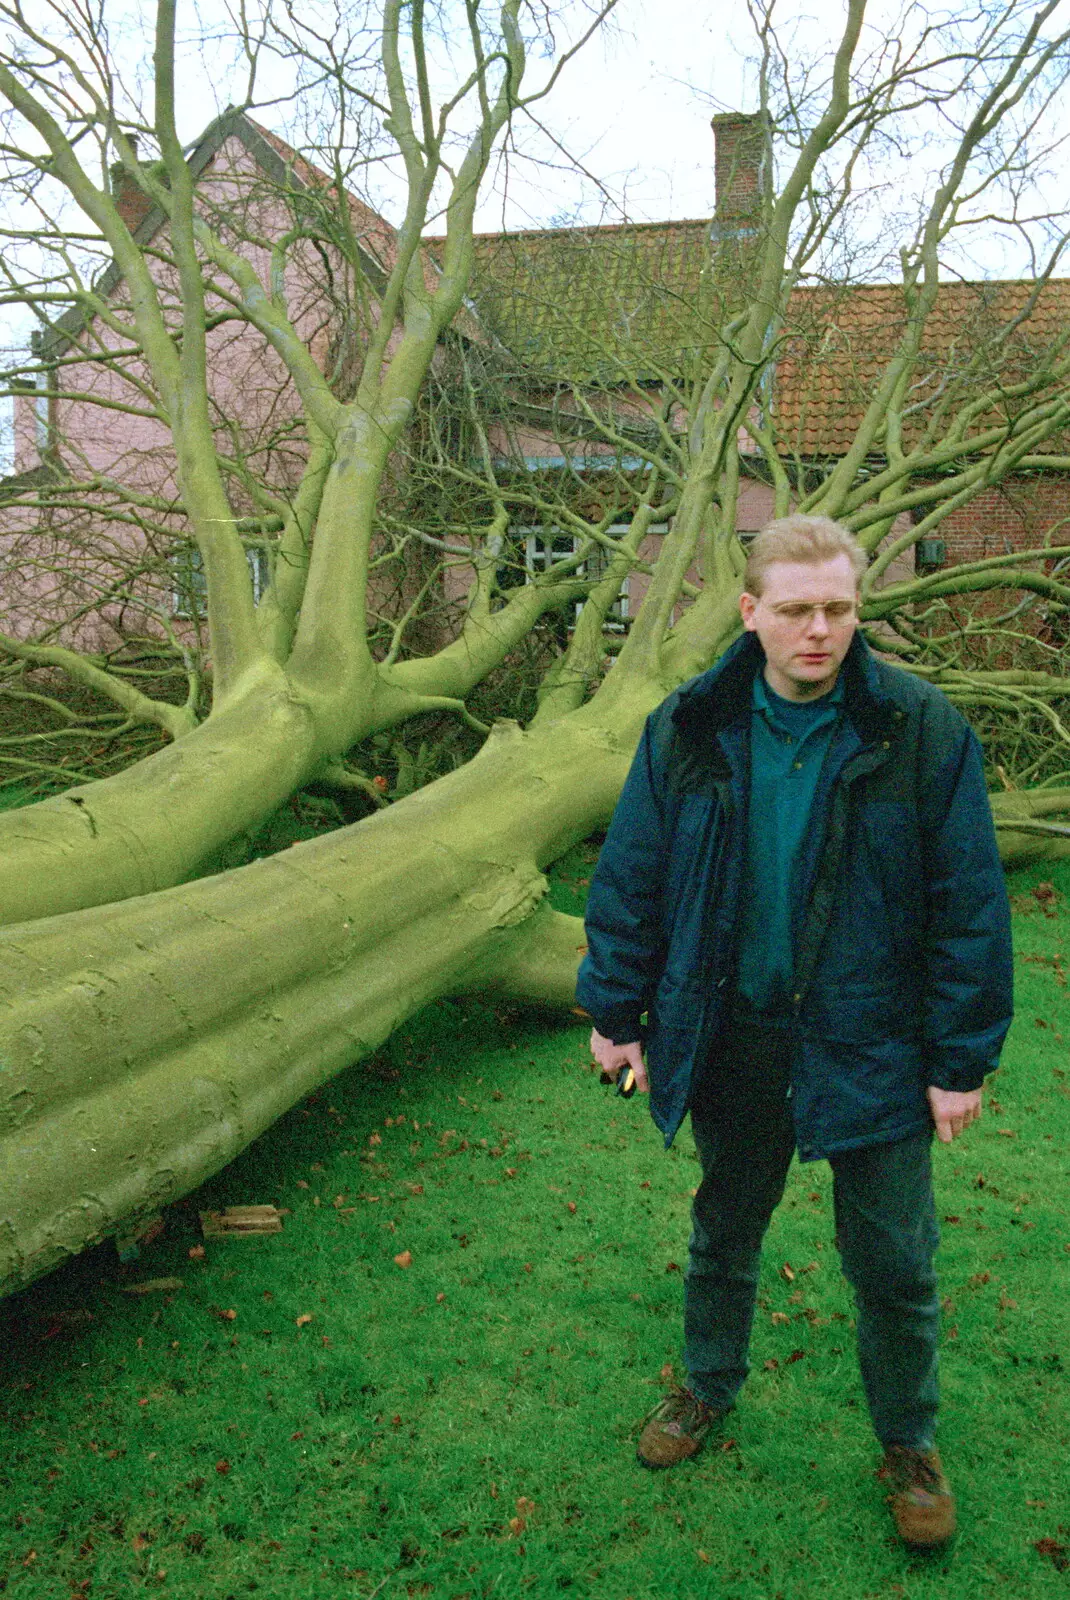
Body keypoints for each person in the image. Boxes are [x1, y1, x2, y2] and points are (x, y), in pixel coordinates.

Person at [577, 515, 1013, 1552]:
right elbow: (631, 877)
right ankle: (705, 1387)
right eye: (794, 609)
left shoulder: (917, 728)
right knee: (722, 1231)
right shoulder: (688, 726)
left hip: (872, 1043)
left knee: (894, 1261)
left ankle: (908, 1442)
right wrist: (614, 1010)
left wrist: (958, 1061)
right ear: (749, 611)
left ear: (855, 607)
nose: (817, 630)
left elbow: (966, 904)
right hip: (732, 1031)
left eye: (836, 608)